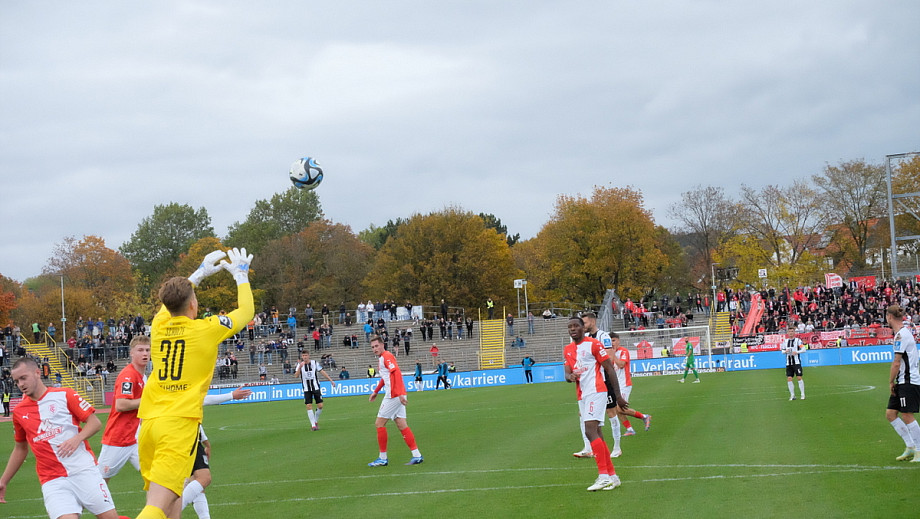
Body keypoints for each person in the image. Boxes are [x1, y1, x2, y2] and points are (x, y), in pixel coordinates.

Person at [135, 248, 254, 519]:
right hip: (177, 426)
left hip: (149, 422)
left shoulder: (158, 325)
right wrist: (241, 275)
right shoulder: (206, 329)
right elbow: (246, 311)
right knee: (156, 507)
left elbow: (169, 301)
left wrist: (198, 273)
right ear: (192, 304)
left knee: (170, 503)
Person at [0, 357, 129, 519]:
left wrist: (77, 438)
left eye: (23, 378)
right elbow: (20, 448)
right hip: (52, 480)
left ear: (37, 373)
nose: (20, 384)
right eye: (17, 381)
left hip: (83, 470)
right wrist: (3, 481)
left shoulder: (65, 394)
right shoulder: (19, 412)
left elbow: (95, 423)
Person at [563, 316, 626, 491]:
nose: (573, 329)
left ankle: (603, 476)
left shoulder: (594, 344)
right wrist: (570, 376)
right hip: (582, 394)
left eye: (576, 326)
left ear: (583, 328)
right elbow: (566, 373)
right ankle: (612, 476)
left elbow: (609, 368)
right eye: (570, 327)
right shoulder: (568, 349)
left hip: (596, 390)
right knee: (597, 433)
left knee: (590, 430)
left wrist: (618, 395)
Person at [180, 386, 252, 519]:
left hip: (192, 441)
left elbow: (195, 420)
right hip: (185, 441)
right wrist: (231, 395)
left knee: (198, 483)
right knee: (204, 478)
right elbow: (206, 400)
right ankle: (169, 512)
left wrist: (206, 442)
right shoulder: (183, 393)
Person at [98, 336, 151, 482]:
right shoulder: (128, 375)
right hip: (118, 438)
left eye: (147, 350)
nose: (145, 353)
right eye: (140, 350)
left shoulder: (143, 377)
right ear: (131, 353)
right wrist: (150, 400)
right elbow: (121, 405)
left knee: (156, 477)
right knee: (100, 483)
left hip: (135, 437)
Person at [367, 335, 424, 467]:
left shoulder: (386, 356)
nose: (375, 349)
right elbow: (386, 377)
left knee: (379, 423)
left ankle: (382, 458)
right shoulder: (383, 358)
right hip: (397, 394)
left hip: (393, 395)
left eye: (376, 346)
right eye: (372, 347)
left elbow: (396, 373)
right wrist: (376, 391)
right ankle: (417, 455)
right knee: (401, 424)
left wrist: (398, 394)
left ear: (383, 345)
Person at [884, 305, 920, 462]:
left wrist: (890, 381)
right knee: (891, 414)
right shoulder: (902, 333)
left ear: (890, 317)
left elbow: (896, 362)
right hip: (903, 381)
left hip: (908, 381)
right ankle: (910, 446)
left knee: (907, 415)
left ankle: (919, 450)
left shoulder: (901, 336)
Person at [296, 350, 336, 431]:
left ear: (308, 356)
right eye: (303, 356)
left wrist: (331, 380)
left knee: (320, 406)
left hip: (316, 387)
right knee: (308, 405)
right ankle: (313, 425)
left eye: (306, 355)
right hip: (306, 389)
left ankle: (315, 421)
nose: (304, 357)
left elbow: (322, 372)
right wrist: (300, 367)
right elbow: (296, 376)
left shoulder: (314, 363)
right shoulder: (300, 365)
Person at [782, 328, 805, 400]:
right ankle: (792, 395)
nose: (791, 333)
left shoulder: (798, 341)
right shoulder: (785, 341)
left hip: (796, 362)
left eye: (792, 331)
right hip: (788, 363)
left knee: (799, 377)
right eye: (789, 331)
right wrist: (785, 351)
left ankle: (802, 394)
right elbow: (782, 351)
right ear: (787, 333)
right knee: (789, 378)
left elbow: (804, 349)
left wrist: (797, 352)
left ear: (794, 332)